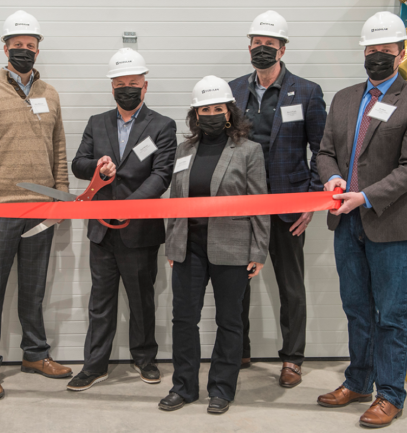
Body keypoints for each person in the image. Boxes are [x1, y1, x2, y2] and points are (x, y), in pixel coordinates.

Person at [316, 12, 407, 428]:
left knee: (391, 313)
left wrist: (365, 197)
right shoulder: (345, 98)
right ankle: (358, 381)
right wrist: (333, 177)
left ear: (402, 54)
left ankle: (390, 394)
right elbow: (326, 151)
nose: (377, 57)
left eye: (386, 51)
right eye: (371, 50)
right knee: (356, 308)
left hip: (393, 223)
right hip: (346, 223)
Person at [0, 10, 71, 399]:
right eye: (17, 44)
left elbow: (59, 150)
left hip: (41, 210)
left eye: (30, 45)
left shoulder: (51, 94)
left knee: (34, 288)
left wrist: (60, 199)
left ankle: (34, 354)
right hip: (0, 209)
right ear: (5, 47)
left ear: (38, 50)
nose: (24, 50)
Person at [158, 76, 270, 414]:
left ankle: (222, 389)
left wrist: (259, 250)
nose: (211, 114)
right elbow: (176, 201)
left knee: (229, 321)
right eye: (204, 108)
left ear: (229, 112)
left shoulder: (249, 150)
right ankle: (184, 387)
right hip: (188, 248)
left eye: (217, 108)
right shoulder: (184, 150)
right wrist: (172, 245)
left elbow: (258, 203)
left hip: (232, 247)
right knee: (184, 319)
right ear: (195, 113)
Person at [68, 48, 177, 391]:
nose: (127, 89)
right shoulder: (96, 123)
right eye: (120, 83)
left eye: (133, 83)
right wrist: (97, 166)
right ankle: (94, 365)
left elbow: (161, 176)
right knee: (100, 302)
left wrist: (128, 206)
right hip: (102, 231)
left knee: (142, 300)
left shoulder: (161, 126)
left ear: (145, 87)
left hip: (139, 230)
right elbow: (78, 163)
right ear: (111, 87)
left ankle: (144, 359)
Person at [228, 10, 327, 387]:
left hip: (288, 205)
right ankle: (239, 349)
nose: (263, 49)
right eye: (258, 43)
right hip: (241, 204)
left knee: (290, 286)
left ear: (283, 49)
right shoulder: (233, 90)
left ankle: (293, 359)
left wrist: (313, 200)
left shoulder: (306, 91)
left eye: (270, 44)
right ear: (249, 46)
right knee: (236, 283)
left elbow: (322, 150)